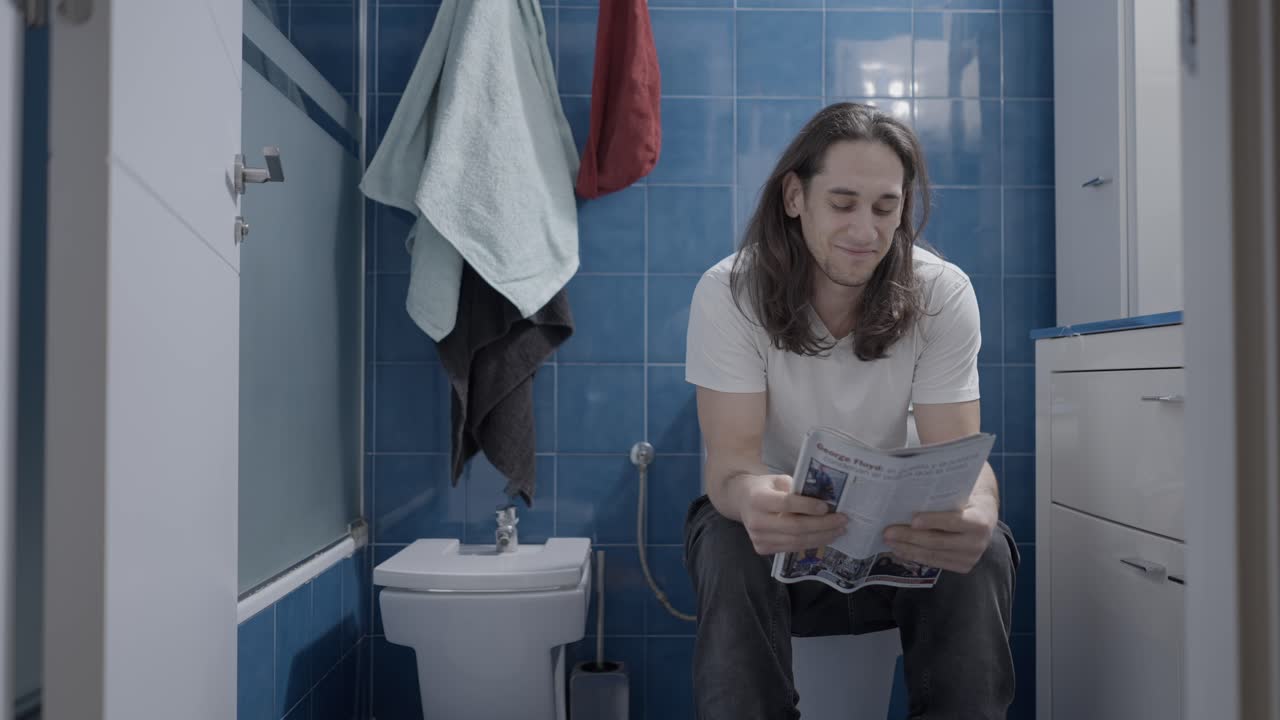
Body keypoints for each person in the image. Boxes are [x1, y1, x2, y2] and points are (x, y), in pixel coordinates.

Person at [682, 102, 1019, 719]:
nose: (865, 231)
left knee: (986, 548)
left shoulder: (941, 293)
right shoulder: (730, 293)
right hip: (776, 549)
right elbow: (730, 466)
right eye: (842, 204)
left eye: (885, 208)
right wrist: (758, 501)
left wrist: (980, 509)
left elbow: (961, 462)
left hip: (897, 545)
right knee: (728, 544)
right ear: (794, 197)